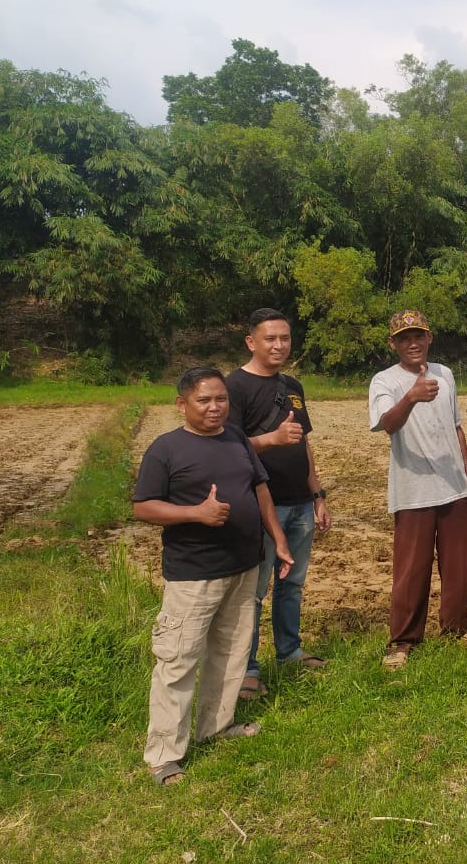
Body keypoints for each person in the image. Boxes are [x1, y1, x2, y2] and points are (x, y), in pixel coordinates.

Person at [133, 366, 293, 785]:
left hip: (244, 566)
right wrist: (195, 513)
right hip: (194, 575)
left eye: (221, 399)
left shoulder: (236, 438)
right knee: (178, 660)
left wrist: (278, 539)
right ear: (181, 404)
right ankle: (163, 755)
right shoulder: (166, 449)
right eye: (203, 400)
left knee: (231, 651)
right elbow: (143, 507)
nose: (214, 407)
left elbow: (260, 489)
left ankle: (216, 727)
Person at [225, 308, 330, 700]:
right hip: (262, 506)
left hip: (300, 503)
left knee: (293, 584)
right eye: (270, 338)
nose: (279, 345)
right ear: (251, 342)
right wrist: (271, 439)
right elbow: (227, 447)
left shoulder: (292, 385)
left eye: (285, 338)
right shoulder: (234, 387)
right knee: (254, 590)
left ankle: (289, 652)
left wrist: (317, 495)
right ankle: (247, 669)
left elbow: (303, 443)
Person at [369, 310, 467, 670]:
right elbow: (387, 424)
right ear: (393, 344)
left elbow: (457, 427)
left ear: (429, 338)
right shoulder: (385, 380)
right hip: (413, 488)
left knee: (458, 564)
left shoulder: (445, 374)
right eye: (404, 338)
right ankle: (403, 639)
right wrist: (411, 397)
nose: (412, 343)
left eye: (418, 336)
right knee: (411, 569)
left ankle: (458, 628)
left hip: (454, 485)